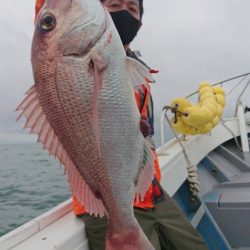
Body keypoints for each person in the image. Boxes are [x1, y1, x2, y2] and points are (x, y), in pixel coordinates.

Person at [34, 1, 208, 249]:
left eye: (132, 9)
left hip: (151, 191)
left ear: (140, 23)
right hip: (107, 205)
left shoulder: (135, 68)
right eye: (114, 4)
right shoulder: (61, 52)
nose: (124, 11)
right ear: (102, 8)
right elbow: (51, 15)